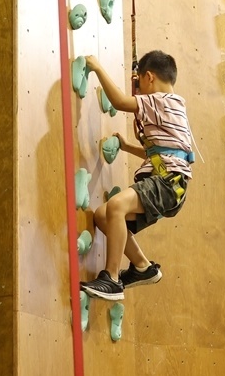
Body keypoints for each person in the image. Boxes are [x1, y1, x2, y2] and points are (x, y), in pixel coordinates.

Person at [80, 50, 193, 301]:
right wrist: (126, 146)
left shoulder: (160, 100)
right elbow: (159, 153)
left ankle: (111, 279)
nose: (139, 92)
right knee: (103, 215)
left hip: (167, 182)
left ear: (149, 77)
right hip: (170, 182)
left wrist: (97, 68)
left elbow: (121, 102)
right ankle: (142, 267)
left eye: (139, 85)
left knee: (116, 206)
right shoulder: (175, 106)